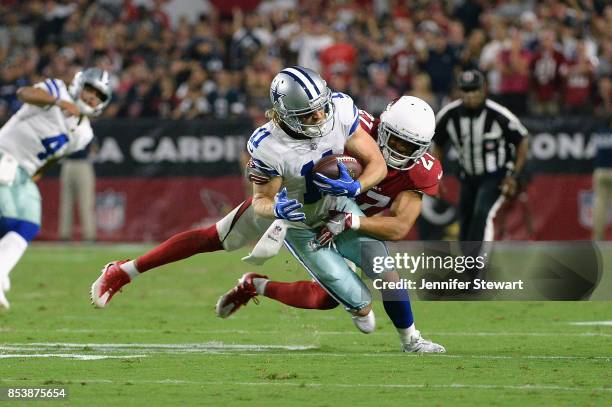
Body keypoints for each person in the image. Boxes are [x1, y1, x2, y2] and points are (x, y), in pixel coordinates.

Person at [91, 68, 444, 353]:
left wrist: (353, 193)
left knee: (338, 296)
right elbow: (261, 199)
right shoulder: (268, 145)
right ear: (286, 112)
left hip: (342, 210)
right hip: (296, 213)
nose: (320, 116)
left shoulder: (341, 113)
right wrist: (278, 206)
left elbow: (382, 179)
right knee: (213, 238)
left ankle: (410, 339)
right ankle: (124, 271)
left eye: (322, 107)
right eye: (310, 112)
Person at [216, 98, 445, 348]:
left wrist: (350, 221)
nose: (400, 150)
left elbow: (400, 226)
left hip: (350, 222)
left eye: (410, 146)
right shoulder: (351, 127)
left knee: (372, 279)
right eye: (396, 140)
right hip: (311, 214)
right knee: (357, 309)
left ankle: (411, 339)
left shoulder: (421, 170)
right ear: (382, 128)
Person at [0, 67, 112, 309]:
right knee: (8, 221)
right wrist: (57, 102)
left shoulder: (84, 133)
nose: (92, 97)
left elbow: (53, 158)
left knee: (28, 225)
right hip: (5, 155)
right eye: (90, 89)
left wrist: (36, 174)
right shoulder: (57, 89)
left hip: (23, 173)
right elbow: (24, 93)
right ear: (79, 85)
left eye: (99, 96)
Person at [432, 70, 529, 272]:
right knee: (466, 221)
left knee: (481, 213)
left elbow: (522, 139)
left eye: (474, 90)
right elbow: (438, 144)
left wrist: (513, 176)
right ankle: (469, 268)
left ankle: (476, 269)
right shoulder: (449, 115)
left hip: (495, 176)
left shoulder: (498, 114)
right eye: (465, 91)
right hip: (468, 177)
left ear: (484, 89)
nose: (470, 95)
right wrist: (437, 175)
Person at [58, 138, 98, 242]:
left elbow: (95, 149)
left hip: (79, 163)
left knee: (85, 203)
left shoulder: (78, 129)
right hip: (72, 164)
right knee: (68, 203)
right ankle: (65, 235)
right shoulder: (73, 129)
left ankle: (88, 235)